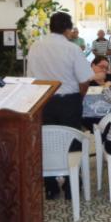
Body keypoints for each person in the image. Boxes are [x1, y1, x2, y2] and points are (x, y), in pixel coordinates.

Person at [28, 12, 97, 199]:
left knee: (48, 141)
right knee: (71, 142)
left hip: (43, 100)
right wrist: (79, 97)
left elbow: (31, 79)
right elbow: (85, 79)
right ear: (67, 29)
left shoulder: (35, 47)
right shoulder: (72, 49)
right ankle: (70, 186)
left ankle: (50, 186)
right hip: (69, 101)